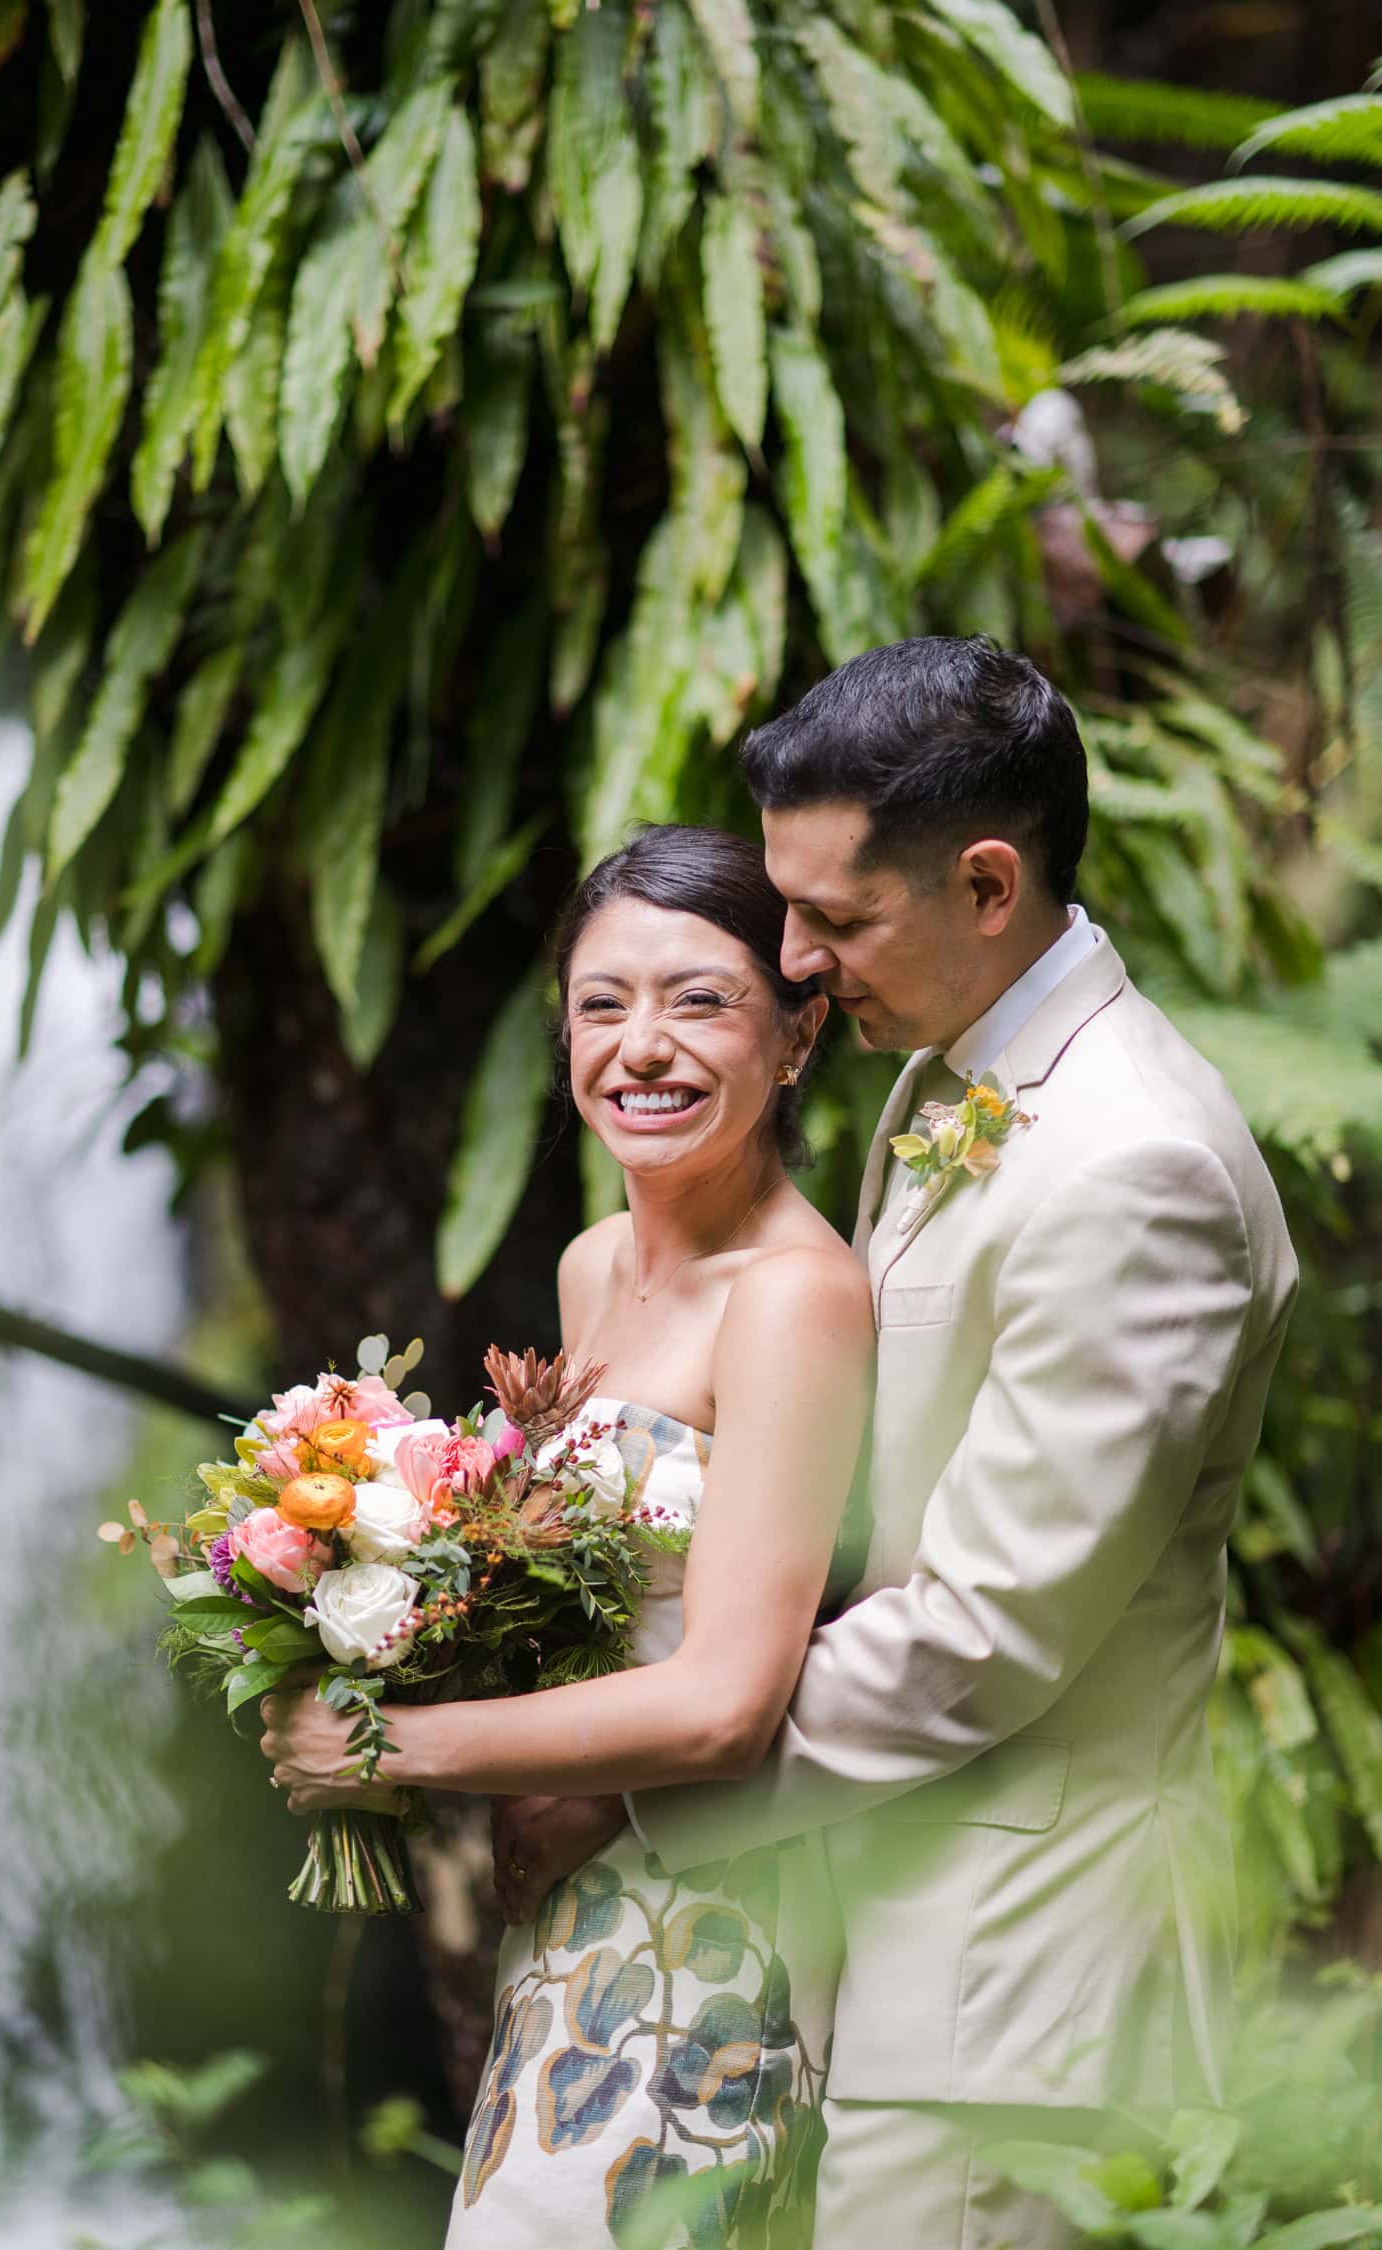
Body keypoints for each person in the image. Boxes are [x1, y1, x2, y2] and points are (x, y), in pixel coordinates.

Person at [485, 637, 1300, 2246]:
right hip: (877, 1940)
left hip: (1010, 1991)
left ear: (987, 884)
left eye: (833, 921)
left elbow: (986, 1631)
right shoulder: (961, 1075)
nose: (794, 959)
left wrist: (637, 1782)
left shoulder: (1135, 1161)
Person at [260, 824, 876, 2247]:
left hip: (703, 1935)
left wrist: (389, 1746)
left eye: (699, 1000)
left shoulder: (795, 1299)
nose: (641, 1048)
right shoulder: (594, 1264)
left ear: (796, 1037)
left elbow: (730, 1698)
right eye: (603, 1005)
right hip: (567, 1922)